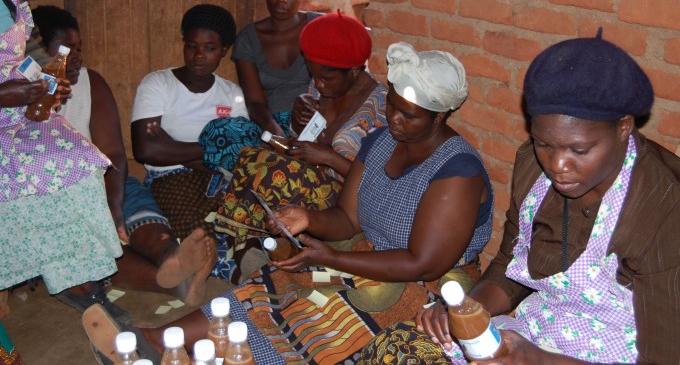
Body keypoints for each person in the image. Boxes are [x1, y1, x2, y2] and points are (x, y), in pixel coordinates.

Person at [83, 41, 495, 364]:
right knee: (279, 282)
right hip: (369, 254)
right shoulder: (381, 141)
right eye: (391, 105)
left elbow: (422, 264)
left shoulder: (456, 172)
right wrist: (307, 218)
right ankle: (157, 340)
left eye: (409, 115)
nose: (394, 119)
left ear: (440, 116)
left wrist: (333, 258)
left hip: (428, 287)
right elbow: (347, 218)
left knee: (330, 314)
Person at [359, 33, 680, 364]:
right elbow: (510, 264)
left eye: (579, 150)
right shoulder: (533, 168)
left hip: (614, 354)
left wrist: (537, 359)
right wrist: (468, 308)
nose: (557, 165)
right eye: (544, 143)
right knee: (397, 348)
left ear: (624, 127)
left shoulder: (663, 209)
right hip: (538, 330)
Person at [30, 5, 216, 307]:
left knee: (134, 199)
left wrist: (113, 207)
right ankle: (177, 285)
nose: (76, 58)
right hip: (55, 197)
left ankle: (171, 256)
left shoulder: (91, 82)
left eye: (79, 49)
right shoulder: (23, 95)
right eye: (65, 50)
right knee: (92, 244)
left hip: (101, 178)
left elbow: (113, 153)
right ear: (37, 54)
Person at [211, 11, 387, 282]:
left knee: (275, 175)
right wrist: (296, 121)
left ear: (354, 70)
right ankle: (250, 249)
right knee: (251, 156)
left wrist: (328, 157)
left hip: (349, 200)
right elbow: (301, 141)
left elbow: (379, 181)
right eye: (313, 75)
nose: (318, 84)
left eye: (326, 78)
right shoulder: (320, 87)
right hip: (311, 177)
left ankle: (245, 251)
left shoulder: (380, 106)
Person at [0, 0, 122, 318]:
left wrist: (49, 79)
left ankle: (80, 279)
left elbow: (32, 50)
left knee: (79, 161)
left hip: (15, 112)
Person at [131, 4, 247, 240]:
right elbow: (145, 150)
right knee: (199, 234)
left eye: (210, 48)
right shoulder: (158, 84)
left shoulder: (231, 93)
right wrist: (212, 148)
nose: (199, 55)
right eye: (192, 46)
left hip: (220, 179)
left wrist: (170, 145)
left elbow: (236, 155)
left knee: (240, 225)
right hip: (170, 179)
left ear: (224, 50)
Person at [231, 0, 322, 137]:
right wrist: (273, 130)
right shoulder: (248, 39)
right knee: (219, 131)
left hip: (319, 122)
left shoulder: (320, 28)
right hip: (271, 125)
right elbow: (255, 103)